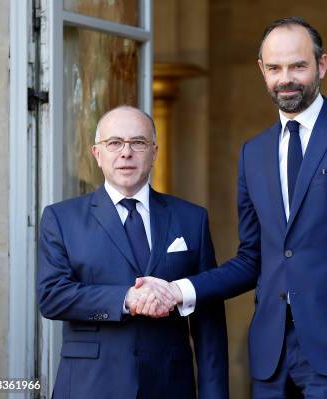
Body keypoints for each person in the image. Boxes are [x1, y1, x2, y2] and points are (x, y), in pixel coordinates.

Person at [169, 16, 327, 399]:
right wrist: (180, 290)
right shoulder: (253, 153)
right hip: (270, 355)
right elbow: (252, 258)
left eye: (298, 66)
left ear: (321, 65)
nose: (287, 78)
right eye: (276, 68)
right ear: (262, 70)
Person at [37, 106, 228, 399]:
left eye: (138, 143)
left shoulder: (191, 218)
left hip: (170, 386)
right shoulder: (61, 219)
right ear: (97, 154)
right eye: (114, 143)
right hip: (90, 386)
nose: (126, 153)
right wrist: (126, 299)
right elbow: (52, 297)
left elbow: (209, 321)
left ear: (154, 153)